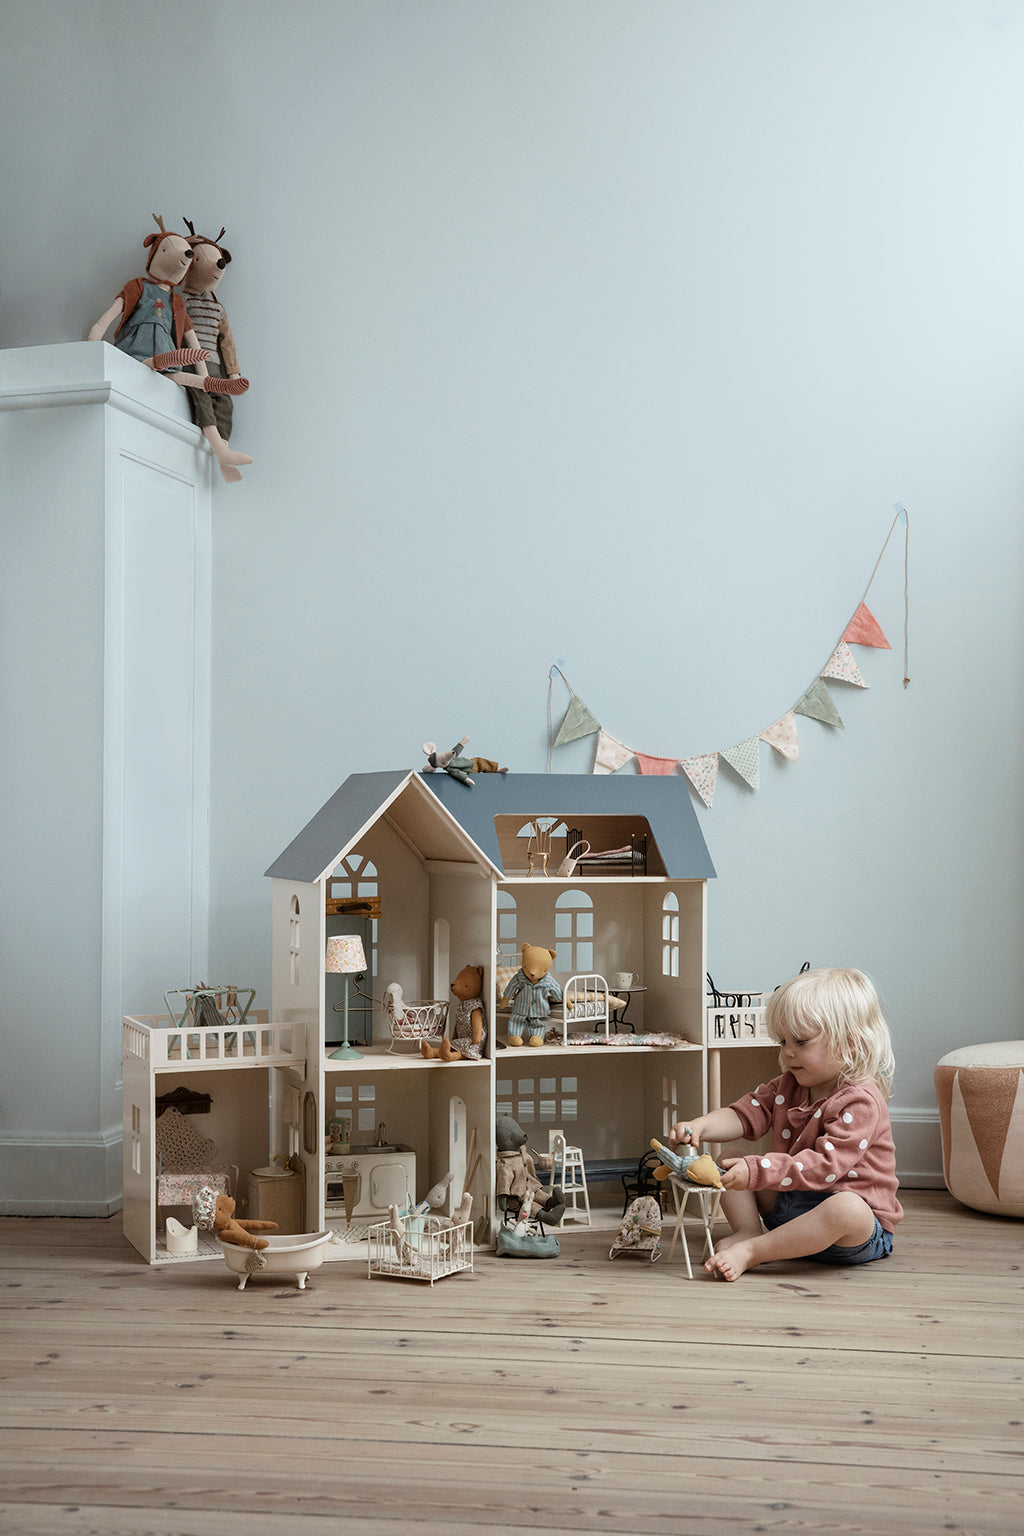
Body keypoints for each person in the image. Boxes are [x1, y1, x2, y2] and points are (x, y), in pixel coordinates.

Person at [668, 967, 902, 1281]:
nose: (788, 1052)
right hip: (793, 1210)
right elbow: (743, 1114)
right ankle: (748, 1232)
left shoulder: (860, 1100)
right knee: (725, 1158)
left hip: (850, 1235)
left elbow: (824, 1166)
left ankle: (755, 1251)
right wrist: (701, 1126)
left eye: (801, 1042)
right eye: (783, 1041)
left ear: (849, 1043)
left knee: (848, 1207)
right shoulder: (789, 1085)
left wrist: (757, 1169)